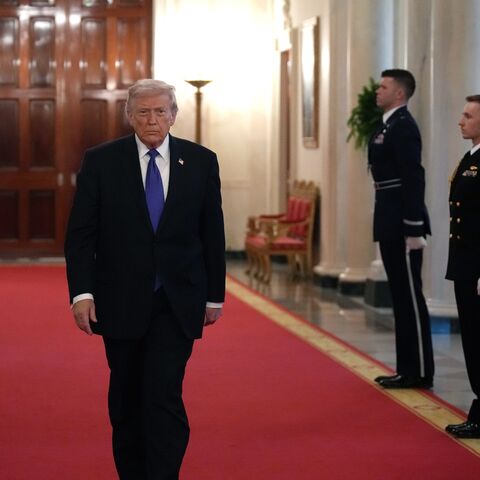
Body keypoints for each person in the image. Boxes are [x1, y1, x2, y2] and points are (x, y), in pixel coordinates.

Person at [64, 79, 226, 479]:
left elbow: (212, 232)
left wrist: (215, 296)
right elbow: (81, 234)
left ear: (173, 115)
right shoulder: (102, 161)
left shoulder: (201, 161)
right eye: (143, 112)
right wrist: (81, 293)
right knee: (126, 398)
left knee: (163, 394)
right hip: (119, 299)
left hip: (177, 300)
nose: (152, 120)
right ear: (129, 116)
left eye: (160, 111)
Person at [368, 69, 434, 389]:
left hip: (402, 222)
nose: (377, 91)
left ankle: (419, 370)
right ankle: (407, 367)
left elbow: (413, 176)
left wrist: (413, 227)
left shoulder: (403, 127)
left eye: (383, 87)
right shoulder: (389, 124)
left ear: (400, 94)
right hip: (389, 217)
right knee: (400, 296)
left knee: (409, 296)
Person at [444, 95, 480, 439]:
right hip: (465, 262)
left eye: (468, 115)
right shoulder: (470, 157)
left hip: (477, 266)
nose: (461, 120)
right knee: (471, 335)